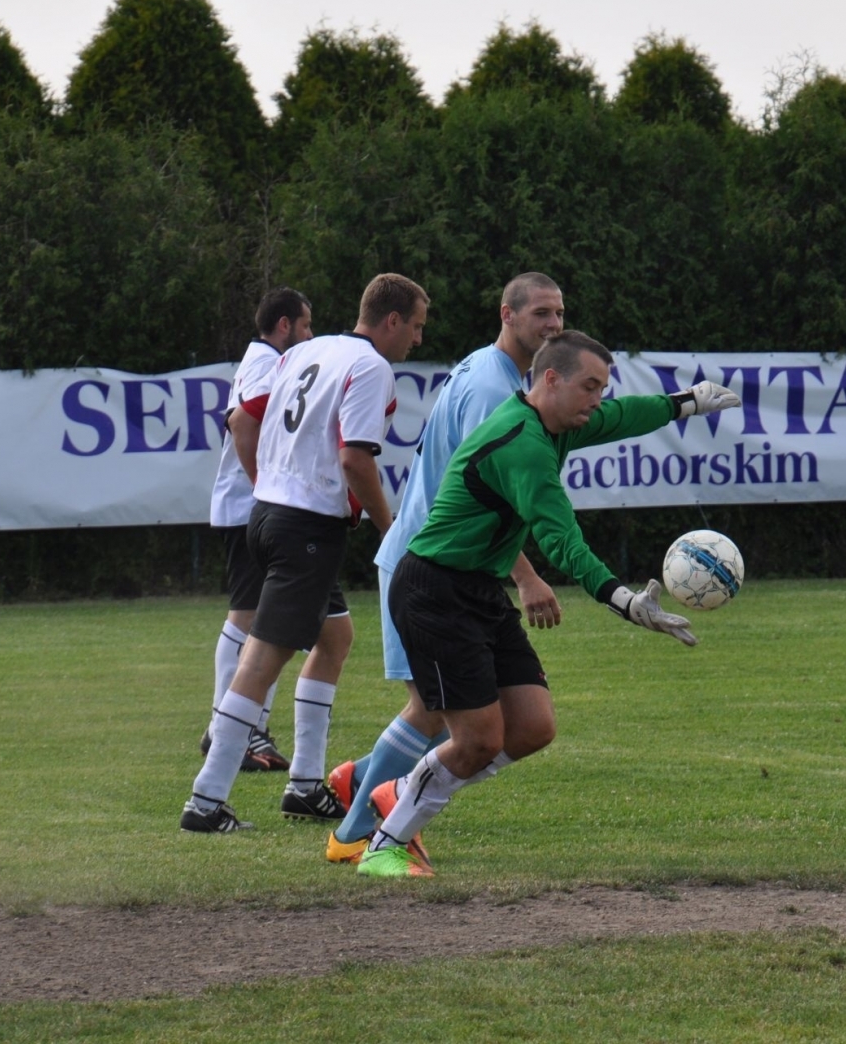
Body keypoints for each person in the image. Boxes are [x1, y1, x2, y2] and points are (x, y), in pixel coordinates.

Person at [355, 330, 740, 875]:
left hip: (478, 589)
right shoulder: (523, 443)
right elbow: (562, 541)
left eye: (602, 387)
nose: (598, 400)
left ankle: (406, 788)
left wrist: (686, 403)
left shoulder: (557, 421)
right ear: (551, 379)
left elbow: (623, 416)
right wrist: (625, 601)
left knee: (534, 727)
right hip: (435, 592)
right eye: (590, 386)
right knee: (477, 740)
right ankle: (384, 844)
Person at [324, 273, 566, 865]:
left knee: (448, 713)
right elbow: (482, 492)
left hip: (439, 561)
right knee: (435, 711)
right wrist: (526, 576)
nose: (553, 325)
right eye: (541, 313)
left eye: (559, 314)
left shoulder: (494, 371)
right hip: (429, 564)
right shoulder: (492, 388)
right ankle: (354, 834)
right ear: (507, 314)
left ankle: (363, 781)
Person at [181, 273, 429, 833]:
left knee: (334, 637)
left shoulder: (307, 350)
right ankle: (206, 799)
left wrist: (270, 481)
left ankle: (305, 786)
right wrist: (390, 530)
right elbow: (355, 460)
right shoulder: (370, 367)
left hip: (270, 514)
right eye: (415, 326)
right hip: (306, 525)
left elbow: (246, 414)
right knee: (262, 659)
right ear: (391, 320)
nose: (417, 339)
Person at [199, 287, 311, 774]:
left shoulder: (262, 359)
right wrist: (265, 488)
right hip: (250, 508)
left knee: (263, 618)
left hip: (248, 506)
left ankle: (240, 727)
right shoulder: (268, 363)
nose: (309, 334)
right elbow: (242, 423)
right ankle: (228, 727)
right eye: (305, 325)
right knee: (248, 617)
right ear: (284, 325)